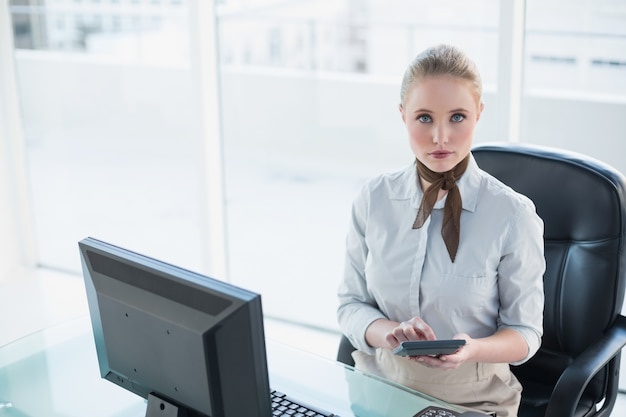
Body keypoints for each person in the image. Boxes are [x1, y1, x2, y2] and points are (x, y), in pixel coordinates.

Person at [336, 44, 545, 417]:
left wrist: (473, 348)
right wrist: (392, 334)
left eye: (458, 117)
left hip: (472, 400)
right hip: (379, 387)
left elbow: (525, 334)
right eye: (425, 118)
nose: (441, 137)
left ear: (479, 114)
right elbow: (350, 305)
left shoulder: (513, 215)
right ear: (403, 116)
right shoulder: (374, 199)